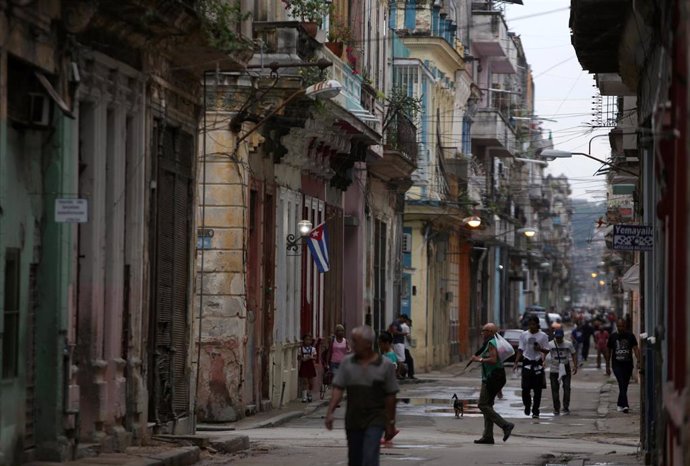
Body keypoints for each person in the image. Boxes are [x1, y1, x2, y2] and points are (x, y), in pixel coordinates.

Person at [325, 326, 399, 466]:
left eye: (355, 341)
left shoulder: (385, 365)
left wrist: (391, 423)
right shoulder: (347, 363)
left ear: (367, 343)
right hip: (354, 419)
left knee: (370, 456)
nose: (352, 345)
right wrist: (330, 411)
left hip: (376, 418)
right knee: (355, 459)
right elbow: (338, 388)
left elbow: (391, 396)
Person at [471, 323, 515, 444]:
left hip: (492, 378)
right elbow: (498, 363)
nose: (482, 333)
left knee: (482, 405)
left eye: (484, 331)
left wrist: (478, 359)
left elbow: (493, 359)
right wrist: (499, 388)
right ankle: (488, 436)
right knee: (488, 406)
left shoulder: (491, 343)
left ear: (490, 332)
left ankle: (505, 425)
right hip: (494, 378)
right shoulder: (492, 343)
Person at [514, 315, 550, 418]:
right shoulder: (524, 335)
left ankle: (535, 410)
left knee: (537, 389)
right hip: (527, 363)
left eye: (533, 324)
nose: (532, 326)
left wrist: (540, 349)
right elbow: (520, 349)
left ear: (537, 324)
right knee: (525, 388)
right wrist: (516, 362)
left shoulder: (543, 336)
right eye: (530, 324)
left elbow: (547, 350)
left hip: (538, 363)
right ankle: (527, 405)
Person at [606, 318, 640, 413]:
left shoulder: (630, 336)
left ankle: (619, 403)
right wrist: (607, 365)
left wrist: (639, 360)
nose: (621, 328)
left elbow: (636, 348)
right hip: (617, 364)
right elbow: (608, 351)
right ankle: (625, 405)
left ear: (625, 326)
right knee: (621, 383)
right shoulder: (613, 337)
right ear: (617, 326)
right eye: (619, 326)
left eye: (622, 326)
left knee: (624, 385)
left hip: (628, 365)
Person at [548, 329, 577, 415]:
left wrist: (575, 365)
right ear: (555, 337)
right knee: (554, 389)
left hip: (565, 367)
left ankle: (566, 406)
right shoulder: (550, 344)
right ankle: (556, 408)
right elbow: (545, 353)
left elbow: (573, 353)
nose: (559, 339)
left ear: (563, 337)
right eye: (557, 337)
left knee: (567, 387)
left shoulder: (568, 344)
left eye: (560, 337)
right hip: (554, 369)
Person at [298, 333, 317, 403]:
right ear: (304, 340)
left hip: (310, 365)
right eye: (306, 340)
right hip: (304, 365)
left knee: (310, 382)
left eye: (309, 340)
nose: (308, 341)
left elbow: (315, 357)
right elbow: (299, 357)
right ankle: (304, 397)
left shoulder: (313, 349)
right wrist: (303, 359)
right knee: (304, 381)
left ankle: (309, 394)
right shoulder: (301, 349)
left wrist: (311, 357)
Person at [400, 314, 416, 379]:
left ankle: (403, 373)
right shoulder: (406, 327)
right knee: (410, 360)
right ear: (407, 322)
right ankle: (410, 374)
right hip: (405, 347)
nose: (410, 326)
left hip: (401, 346)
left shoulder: (400, 326)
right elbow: (408, 337)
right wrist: (411, 342)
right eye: (410, 324)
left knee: (403, 360)